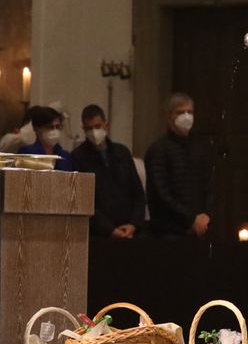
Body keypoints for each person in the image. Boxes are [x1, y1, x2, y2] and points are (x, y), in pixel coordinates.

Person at [71, 104, 148, 239]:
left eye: (97, 126)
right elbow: (83, 200)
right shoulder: (78, 157)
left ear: (106, 125)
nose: (94, 132)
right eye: (89, 128)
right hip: (99, 233)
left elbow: (137, 193)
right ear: (83, 129)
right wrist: (109, 229)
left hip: (129, 229)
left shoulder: (122, 152)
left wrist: (133, 224)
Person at [144, 93, 212, 237]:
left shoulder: (199, 148)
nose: (186, 117)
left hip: (198, 227)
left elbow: (207, 185)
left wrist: (204, 215)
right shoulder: (158, 150)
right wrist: (191, 218)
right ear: (169, 117)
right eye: (180, 112)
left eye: (190, 112)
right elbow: (161, 193)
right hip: (168, 230)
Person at [17, 105, 76, 171]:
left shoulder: (65, 155)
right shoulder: (27, 153)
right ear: (37, 129)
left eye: (58, 126)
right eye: (50, 127)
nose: (55, 130)